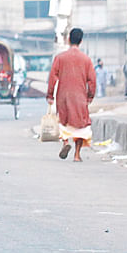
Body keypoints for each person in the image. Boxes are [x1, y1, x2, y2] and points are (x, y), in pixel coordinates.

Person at [47, 28, 96, 162]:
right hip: (80, 96)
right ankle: (77, 154)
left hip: (63, 95)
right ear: (81, 41)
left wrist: (50, 95)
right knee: (80, 125)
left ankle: (65, 143)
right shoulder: (86, 60)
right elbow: (92, 79)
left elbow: (52, 77)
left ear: (69, 39)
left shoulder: (60, 58)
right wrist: (90, 95)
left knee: (64, 121)